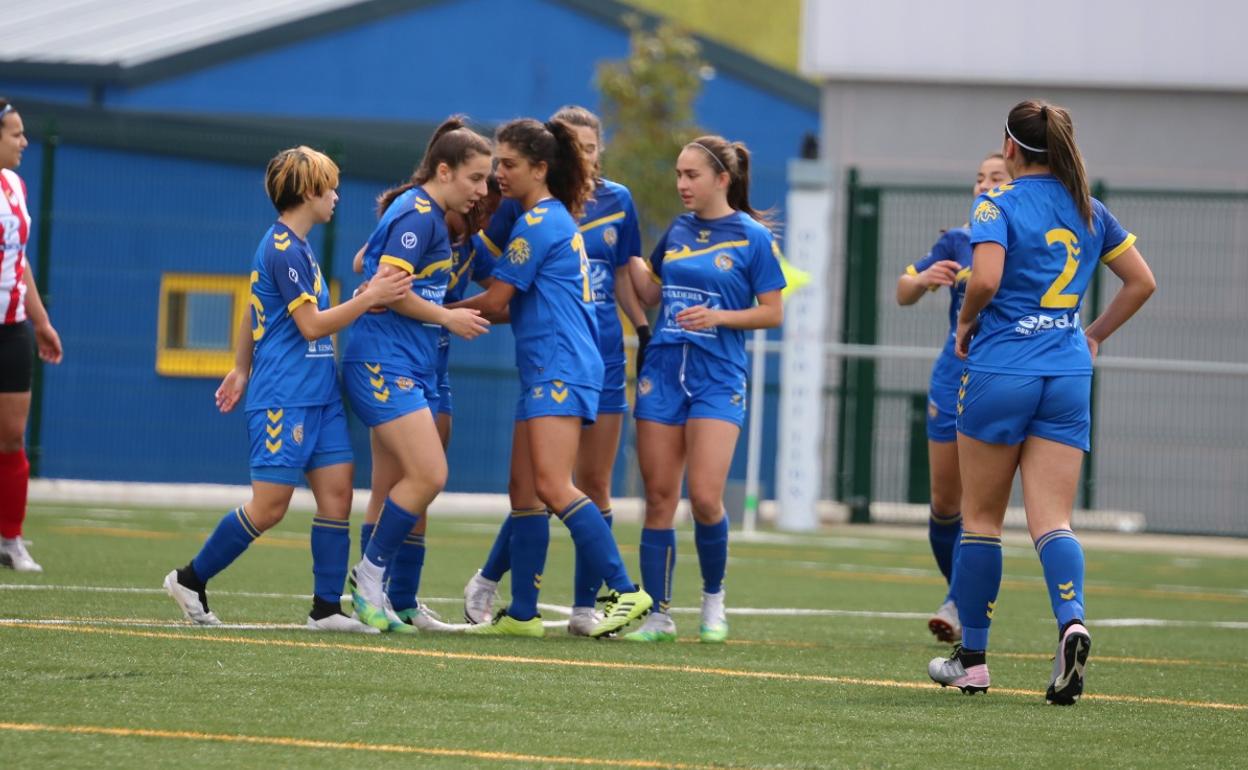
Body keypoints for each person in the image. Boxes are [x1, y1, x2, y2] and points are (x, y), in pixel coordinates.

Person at [928, 100, 1155, 704]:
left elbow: (985, 279)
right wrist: (1095, 334)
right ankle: (1071, 621)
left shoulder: (994, 204)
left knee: (980, 521)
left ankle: (972, 660)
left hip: (1002, 368)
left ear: (1009, 149)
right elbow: (1143, 281)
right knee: (1052, 520)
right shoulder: (1089, 208)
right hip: (1067, 372)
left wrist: (965, 324)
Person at [163, 146, 413, 631]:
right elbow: (313, 326)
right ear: (308, 192)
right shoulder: (281, 248)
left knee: (338, 496)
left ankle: (325, 610)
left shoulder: (296, 247)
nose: (337, 195)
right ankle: (190, 579)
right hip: (285, 397)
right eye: (330, 187)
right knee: (270, 506)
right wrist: (372, 299)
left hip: (319, 396)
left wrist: (239, 367)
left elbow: (256, 310)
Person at [454, 117, 651, 638]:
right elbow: (503, 302)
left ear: (540, 169)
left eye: (509, 164)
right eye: (496, 163)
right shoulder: (540, 218)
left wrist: (430, 309)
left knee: (552, 485)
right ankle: (522, 615)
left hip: (561, 366)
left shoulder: (541, 223)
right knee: (523, 488)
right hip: (547, 364)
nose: (499, 173)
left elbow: (497, 301)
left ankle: (627, 592)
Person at [621, 135, 786, 643]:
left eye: (691, 175)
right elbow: (648, 292)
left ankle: (713, 600)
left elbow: (773, 311)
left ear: (722, 179)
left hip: (718, 377)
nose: (681, 184)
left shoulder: (752, 238)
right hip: (664, 371)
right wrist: (622, 243)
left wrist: (718, 316)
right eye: (678, 174)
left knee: (707, 498)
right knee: (658, 498)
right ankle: (658, 614)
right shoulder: (676, 230)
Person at [343, 117, 493, 633]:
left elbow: (375, 265)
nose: (482, 190)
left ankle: (381, 596)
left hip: (406, 361)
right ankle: (368, 578)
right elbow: (387, 289)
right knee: (430, 474)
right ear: (445, 171)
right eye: (475, 178)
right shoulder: (420, 216)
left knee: (391, 485)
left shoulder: (423, 214)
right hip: (381, 362)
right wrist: (448, 315)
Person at [895, 153, 1010, 643]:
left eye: (997, 177)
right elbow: (902, 290)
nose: (985, 185)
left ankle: (962, 606)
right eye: (979, 178)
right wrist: (921, 281)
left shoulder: (1021, 236)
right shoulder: (956, 240)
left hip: (1002, 376)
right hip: (950, 376)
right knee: (944, 504)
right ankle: (959, 596)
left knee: (980, 505)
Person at [0, 98, 63, 573]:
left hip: (12, 329)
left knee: (12, 435)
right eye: (15, 133)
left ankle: (10, 539)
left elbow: (19, 261)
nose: (24, 141)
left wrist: (40, 321)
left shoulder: (16, 187)